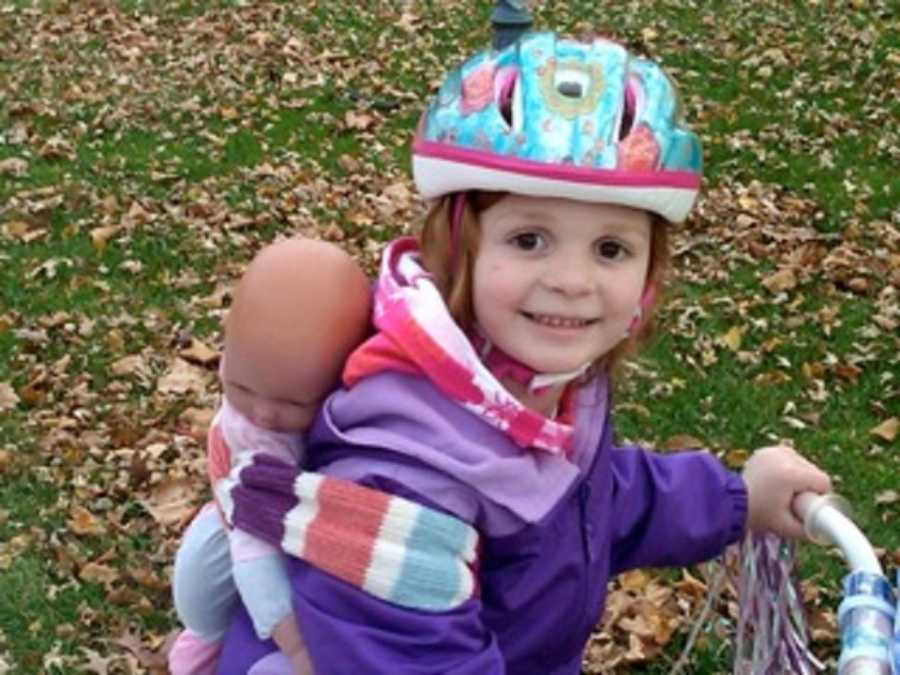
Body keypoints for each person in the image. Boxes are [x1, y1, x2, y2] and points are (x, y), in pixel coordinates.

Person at [212, 32, 832, 674]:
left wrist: (735, 498)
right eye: (530, 239)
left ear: (647, 281)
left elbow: (584, 508)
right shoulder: (401, 481)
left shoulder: (536, 389)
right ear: (459, 251)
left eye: (611, 249)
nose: (572, 280)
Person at [167, 238, 372, 675]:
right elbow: (252, 553)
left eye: (293, 403)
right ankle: (203, 640)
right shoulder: (256, 437)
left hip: (300, 524)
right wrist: (293, 644)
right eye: (240, 388)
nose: (261, 413)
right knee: (197, 583)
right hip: (244, 521)